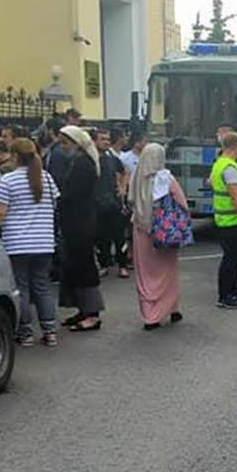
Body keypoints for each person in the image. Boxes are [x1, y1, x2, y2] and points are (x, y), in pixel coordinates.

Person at [0, 138, 61, 347]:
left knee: (21, 287)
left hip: (16, 243)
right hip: (44, 242)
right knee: (42, 286)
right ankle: (50, 331)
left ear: (14, 156)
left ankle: (25, 332)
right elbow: (54, 205)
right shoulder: (46, 179)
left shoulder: (8, 180)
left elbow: (0, 212)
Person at [130, 143, 188, 330]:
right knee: (168, 271)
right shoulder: (165, 177)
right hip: (163, 231)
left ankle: (150, 316)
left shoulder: (136, 176)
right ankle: (171, 307)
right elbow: (182, 201)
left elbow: (129, 199)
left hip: (141, 229)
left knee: (145, 274)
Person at [55, 126, 104, 331]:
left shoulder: (83, 164)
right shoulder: (81, 162)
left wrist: (59, 199)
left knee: (84, 267)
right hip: (77, 223)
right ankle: (83, 310)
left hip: (80, 224)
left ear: (76, 143)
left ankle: (92, 313)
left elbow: (72, 195)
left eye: (66, 142)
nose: (63, 147)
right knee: (76, 267)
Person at [211, 131, 237, 310]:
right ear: (236, 146)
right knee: (230, 259)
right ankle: (225, 295)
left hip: (224, 218)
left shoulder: (219, 164)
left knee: (234, 257)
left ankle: (234, 289)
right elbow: (235, 196)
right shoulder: (230, 168)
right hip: (232, 220)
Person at [93, 129, 130, 279]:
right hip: (96, 204)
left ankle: (122, 265)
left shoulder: (111, 158)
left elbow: (125, 171)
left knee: (119, 236)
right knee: (101, 238)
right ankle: (104, 265)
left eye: (107, 139)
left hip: (113, 203)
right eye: (102, 139)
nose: (106, 142)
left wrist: (122, 187)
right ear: (94, 141)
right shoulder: (90, 159)